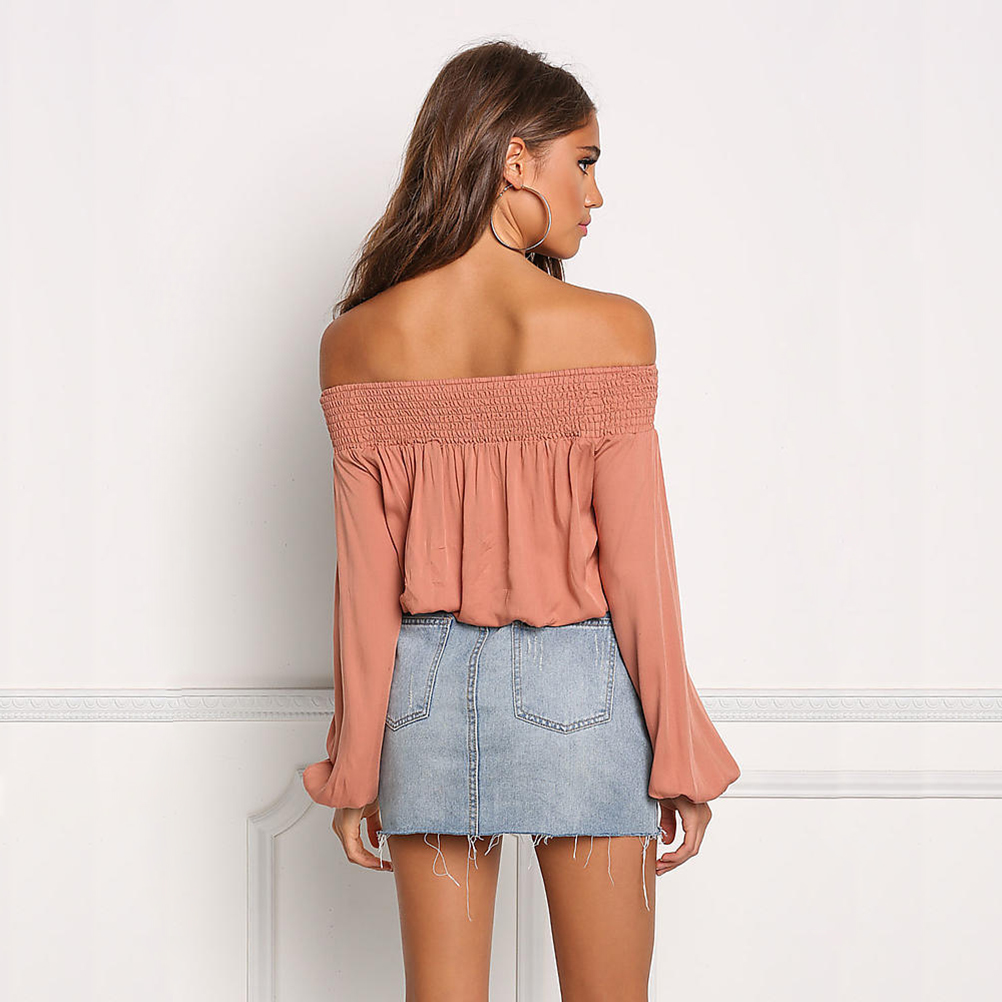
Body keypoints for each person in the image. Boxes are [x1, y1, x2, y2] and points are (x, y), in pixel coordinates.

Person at [303, 38, 740, 1001]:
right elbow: (639, 572)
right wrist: (680, 752)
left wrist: (355, 767)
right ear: (514, 161)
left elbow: (364, 593)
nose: (595, 194)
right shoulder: (611, 330)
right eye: (582, 162)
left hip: (419, 704)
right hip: (582, 694)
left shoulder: (355, 344)